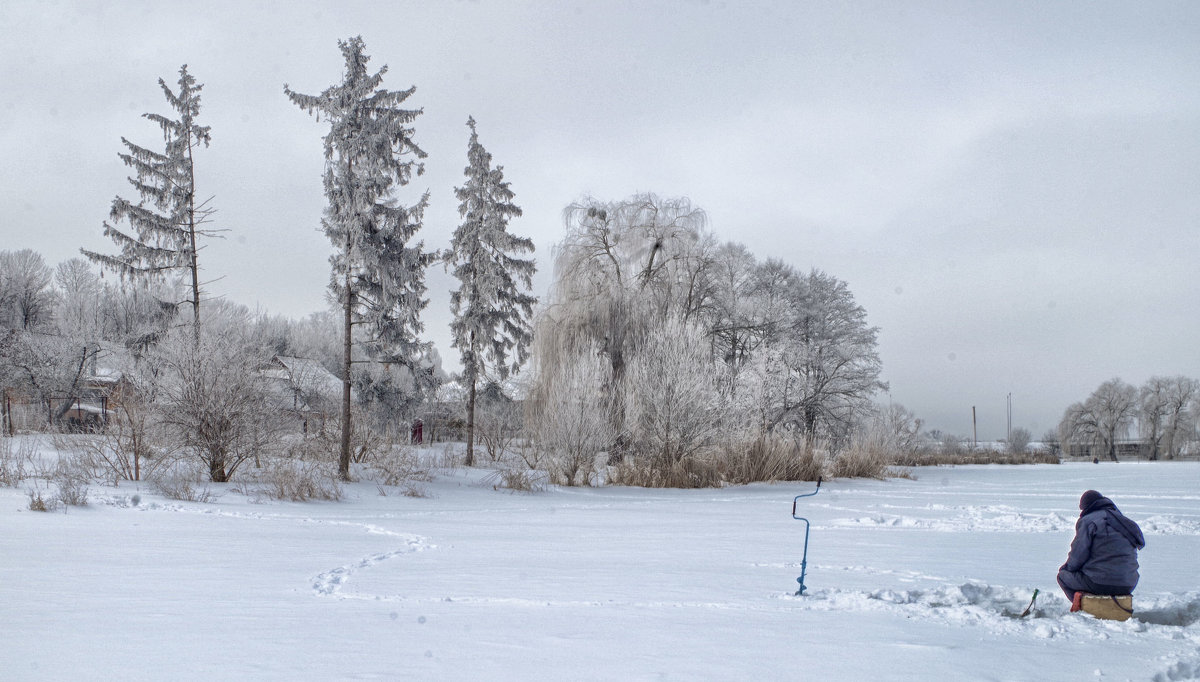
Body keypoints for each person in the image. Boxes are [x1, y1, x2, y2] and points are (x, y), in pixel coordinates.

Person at [1057, 490, 1146, 603]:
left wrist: (1067, 569)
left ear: (1085, 507)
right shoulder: (1125, 522)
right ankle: (1112, 607)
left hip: (1099, 583)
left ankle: (1086, 608)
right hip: (1128, 584)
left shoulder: (1088, 521)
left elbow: (1078, 554)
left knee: (1062, 576)